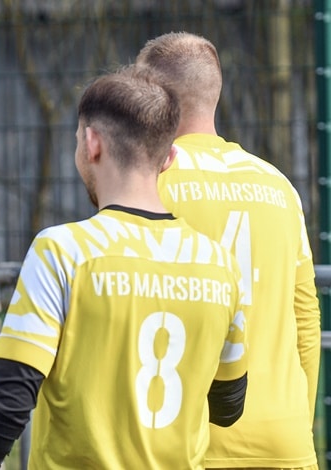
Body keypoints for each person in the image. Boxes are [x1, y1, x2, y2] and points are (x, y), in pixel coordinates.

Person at [0, 69, 249, 469]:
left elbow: (9, 400)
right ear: (169, 158)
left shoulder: (63, 251)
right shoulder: (221, 264)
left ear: (92, 143)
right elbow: (228, 405)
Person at [137, 32, 321, 469]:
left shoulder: (148, 183)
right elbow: (306, 321)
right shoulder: (279, 186)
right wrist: (298, 423)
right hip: (284, 443)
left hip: (184, 445)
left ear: (153, 98)